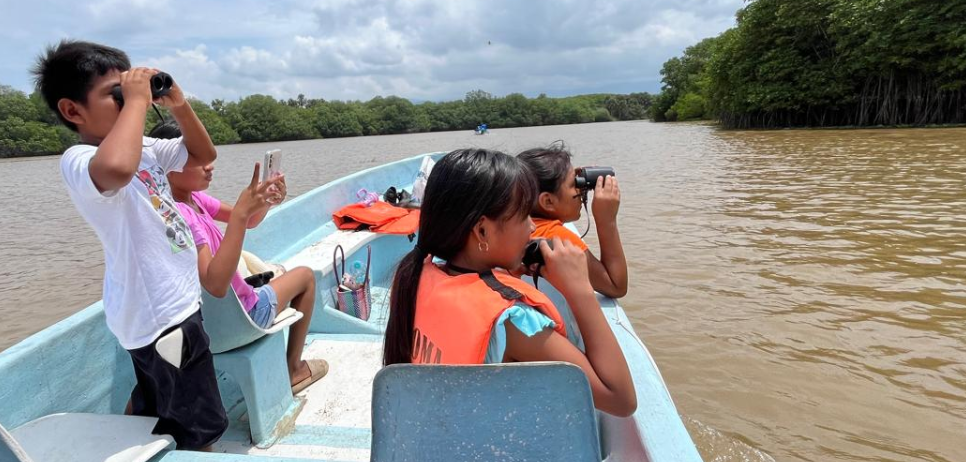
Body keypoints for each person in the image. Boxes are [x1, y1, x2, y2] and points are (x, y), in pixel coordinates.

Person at [33, 40, 226, 450]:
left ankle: (142, 428)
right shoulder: (79, 159)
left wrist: (178, 105)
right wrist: (138, 101)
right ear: (73, 111)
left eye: (129, 91)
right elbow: (117, 169)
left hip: (167, 305)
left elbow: (202, 154)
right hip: (161, 315)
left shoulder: (148, 149)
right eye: (116, 94)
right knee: (198, 426)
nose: (128, 101)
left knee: (159, 399)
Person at [382, 148, 637, 417]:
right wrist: (579, 291)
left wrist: (504, 276)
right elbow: (620, 399)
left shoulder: (417, 274)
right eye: (524, 216)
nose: (532, 227)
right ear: (482, 231)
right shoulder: (513, 322)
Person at [150, 122, 329, 394]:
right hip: (242, 318)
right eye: (197, 158)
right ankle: (294, 369)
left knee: (274, 273)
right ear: (168, 164)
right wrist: (242, 214)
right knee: (305, 277)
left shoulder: (186, 203)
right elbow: (214, 282)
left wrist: (266, 200)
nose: (209, 165)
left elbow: (248, 220)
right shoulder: (185, 216)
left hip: (204, 326)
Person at [517, 143, 628, 298]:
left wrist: (569, 176)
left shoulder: (515, 225)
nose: (581, 189)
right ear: (548, 201)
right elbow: (616, 286)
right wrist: (607, 220)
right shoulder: (556, 237)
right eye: (574, 184)